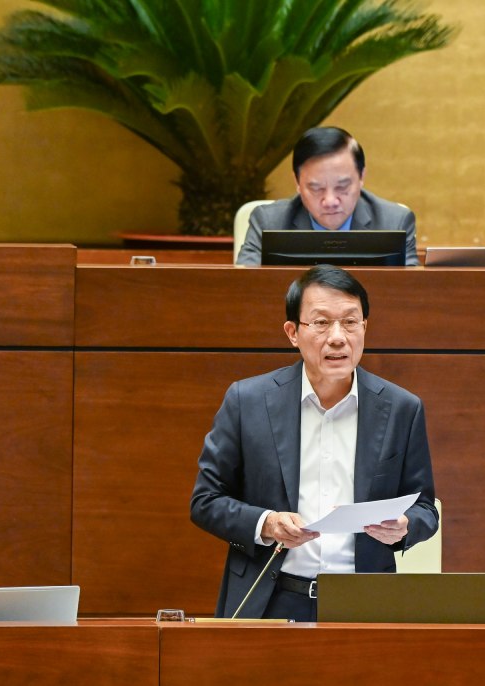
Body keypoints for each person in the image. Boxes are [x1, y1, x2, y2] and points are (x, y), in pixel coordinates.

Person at [190, 265, 438, 620]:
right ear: (293, 332)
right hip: (272, 599)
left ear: (364, 327)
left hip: (364, 602)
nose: (338, 337)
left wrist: (405, 527)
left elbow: (425, 509)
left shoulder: (401, 408)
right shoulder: (248, 400)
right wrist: (266, 523)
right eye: (321, 323)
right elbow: (205, 501)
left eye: (351, 322)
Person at [236, 126, 419, 266]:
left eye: (342, 186)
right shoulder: (268, 222)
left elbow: (411, 289)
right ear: (297, 183)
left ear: (362, 176)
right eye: (316, 188)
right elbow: (245, 286)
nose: (330, 201)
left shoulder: (395, 222)